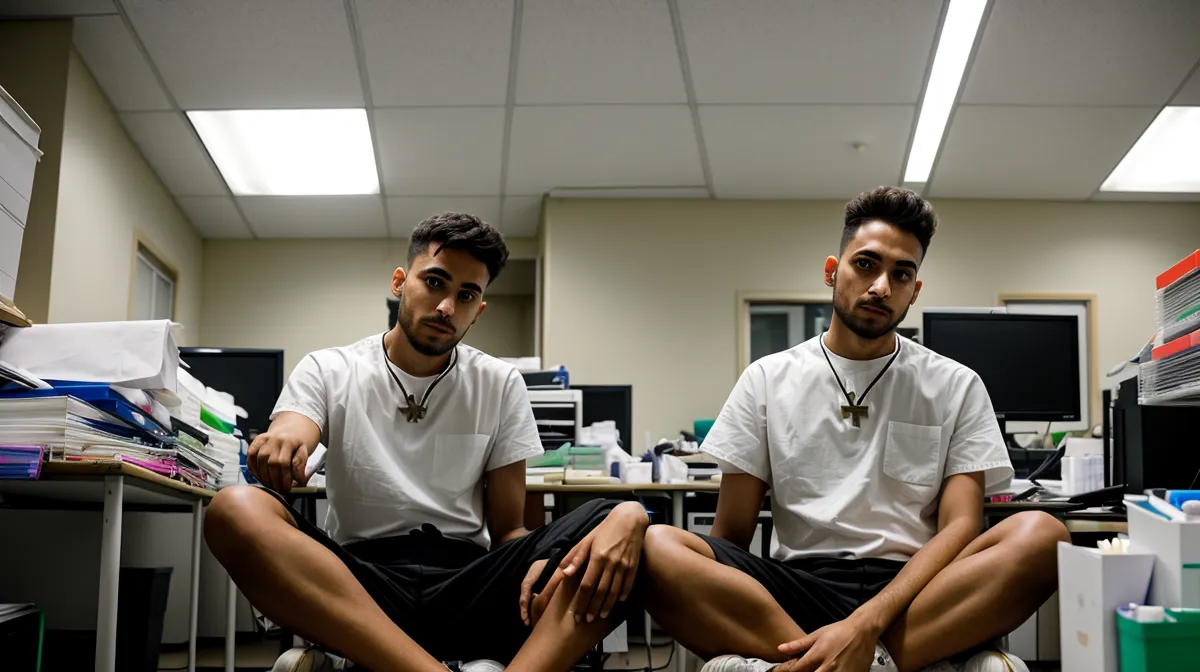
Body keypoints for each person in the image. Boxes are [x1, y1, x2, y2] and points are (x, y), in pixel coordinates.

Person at [639, 187, 1070, 672]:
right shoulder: (767, 379)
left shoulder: (955, 384)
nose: (881, 286)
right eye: (866, 264)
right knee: (658, 548)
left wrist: (867, 621)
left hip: (914, 592)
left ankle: (812, 663)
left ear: (914, 291)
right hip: (795, 590)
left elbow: (960, 527)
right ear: (832, 271)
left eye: (901, 274)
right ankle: (881, 664)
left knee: (1043, 535)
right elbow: (731, 536)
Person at [205, 213, 650, 672]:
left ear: (478, 310)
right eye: (434, 282)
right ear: (400, 282)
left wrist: (551, 557)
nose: (446, 307)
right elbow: (293, 428)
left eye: (466, 295)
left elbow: (508, 530)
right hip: (361, 586)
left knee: (621, 532)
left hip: (469, 582)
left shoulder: (499, 383)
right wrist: (282, 442)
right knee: (234, 508)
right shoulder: (330, 368)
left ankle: (364, 664)